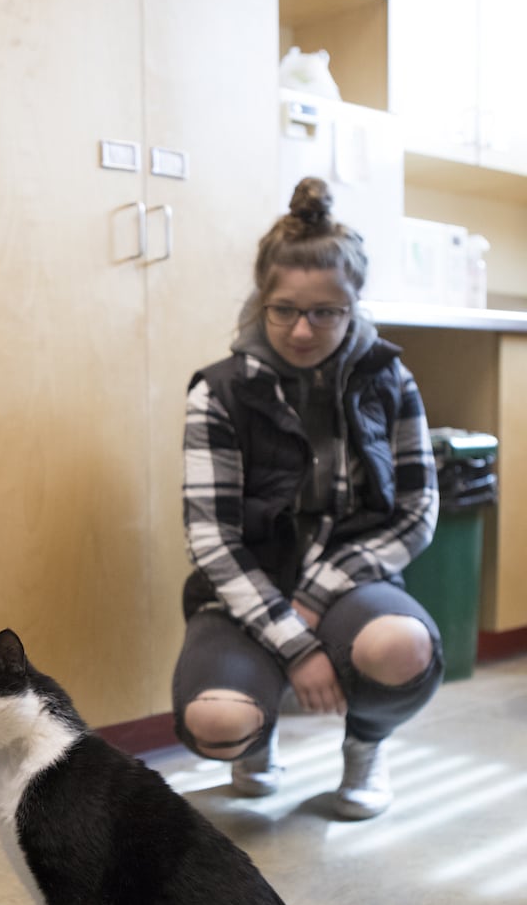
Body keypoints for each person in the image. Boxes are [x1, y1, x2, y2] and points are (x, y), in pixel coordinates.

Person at [172, 177, 443, 820]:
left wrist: (315, 602)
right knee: (216, 721)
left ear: (354, 306)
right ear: (260, 301)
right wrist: (295, 643)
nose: (301, 330)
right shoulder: (218, 392)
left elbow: (417, 511)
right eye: (284, 309)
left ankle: (367, 748)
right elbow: (211, 537)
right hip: (242, 591)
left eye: (326, 312)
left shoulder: (390, 378)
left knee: (400, 647)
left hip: (352, 584)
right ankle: (253, 742)